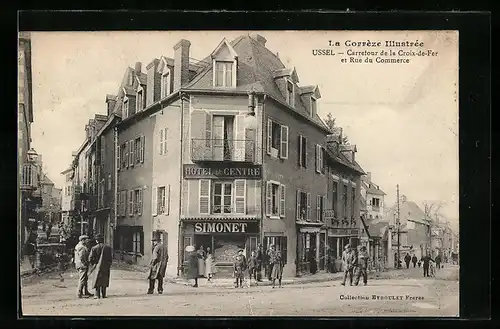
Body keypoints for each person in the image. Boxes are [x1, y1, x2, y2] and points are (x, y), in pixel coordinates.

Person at [88, 234, 112, 299]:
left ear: (96, 240)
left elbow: (90, 258)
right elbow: (110, 258)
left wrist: (94, 263)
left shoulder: (94, 248)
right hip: (105, 266)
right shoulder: (108, 248)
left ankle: (97, 295)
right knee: (104, 280)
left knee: (97, 279)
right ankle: (104, 295)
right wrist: (108, 264)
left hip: (97, 266)